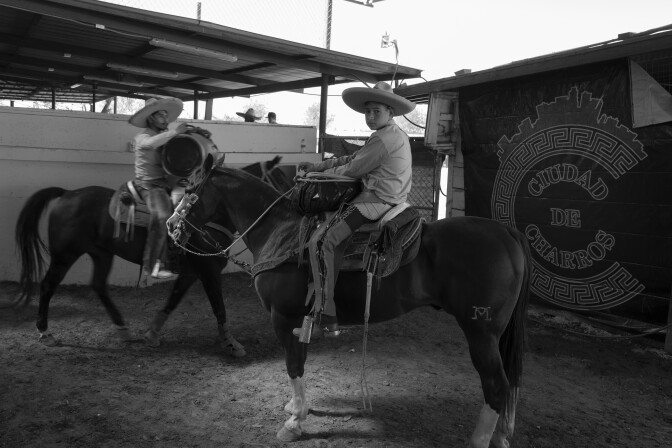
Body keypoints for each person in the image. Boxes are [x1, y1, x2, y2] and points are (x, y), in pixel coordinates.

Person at [295, 81, 415, 337]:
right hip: (392, 199)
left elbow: (352, 170)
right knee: (330, 238)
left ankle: (326, 318)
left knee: (320, 241)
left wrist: (321, 174)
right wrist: (320, 167)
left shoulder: (383, 138)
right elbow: (353, 159)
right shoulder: (390, 135)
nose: (370, 117)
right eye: (367, 111)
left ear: (390, 112)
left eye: (376, 111)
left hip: (375, 201)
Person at [128, 97, 188, 279]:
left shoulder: (164, 138)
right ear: (150, 119)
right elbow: (151, 144)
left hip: (165, 184)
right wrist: (175, 132)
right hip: (148, 186)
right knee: (163, 217)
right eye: (160, 116)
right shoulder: (142, 138)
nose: (165, 119)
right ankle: (152, 265)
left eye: (166, 116)